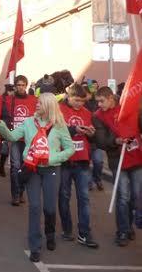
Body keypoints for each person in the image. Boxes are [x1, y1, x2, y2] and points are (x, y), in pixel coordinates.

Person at [0, 93, 75, 263]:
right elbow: (12, 137)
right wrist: (1, 126)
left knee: (50, 208)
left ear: (48, 105)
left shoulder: (60, 125)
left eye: (40, 103)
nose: (36, 105)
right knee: (34, 207)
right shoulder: (28, 122)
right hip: (31, 169)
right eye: (37, 103)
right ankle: (35, 246)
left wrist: (51, 159)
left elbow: (70, 149)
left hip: (52, 170)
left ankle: (50, 233)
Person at [93, 86, 142, 247]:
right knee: (122, 197)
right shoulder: (98, 116)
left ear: (111, 98)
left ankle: (129, 226)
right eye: (97, 101)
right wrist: (115, 141)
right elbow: (100, 140)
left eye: (102, 101)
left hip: (136, 158)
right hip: (117, 162)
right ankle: (122, 231)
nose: (99, 104)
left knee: (135, 196)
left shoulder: (128, 107)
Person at [58, 84, 99, 248]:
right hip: (63, 160)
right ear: (69, 96)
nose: (79, 104)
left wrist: (91, 134)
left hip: (82, 160)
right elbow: (54, 131)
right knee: (64, 196)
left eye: (82, 101)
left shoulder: (88, 113)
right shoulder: (58, 110)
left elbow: (93, 137)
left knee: (84, 198)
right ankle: (67, 228)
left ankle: (84, 233)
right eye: (76, 100)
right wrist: (74, 130)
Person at [1, 75, 38, 206]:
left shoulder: (34, 100)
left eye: (23, 85)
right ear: (15, 86)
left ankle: (21, 191)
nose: (21, 87)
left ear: (26, 86)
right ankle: (15, 194)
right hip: (15, 138)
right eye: (19, 85)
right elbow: (5, 117)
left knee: (25, 166)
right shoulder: (9, 100)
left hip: (29, 138)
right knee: (15, 166)